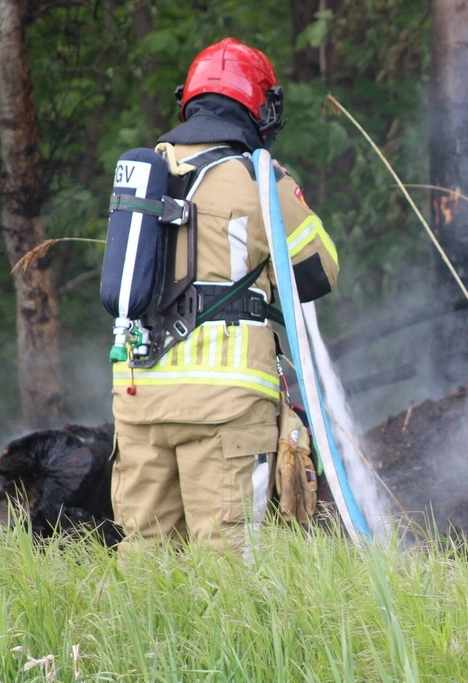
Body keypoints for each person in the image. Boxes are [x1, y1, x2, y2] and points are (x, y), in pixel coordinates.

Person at [110, 38, 340, 553]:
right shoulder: (257, 177)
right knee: (230, 565)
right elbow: (319, 272)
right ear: (261, 107)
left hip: (138, 398)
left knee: (146, 563)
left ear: (187, 100)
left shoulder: (146, 174)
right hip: (225, 407)